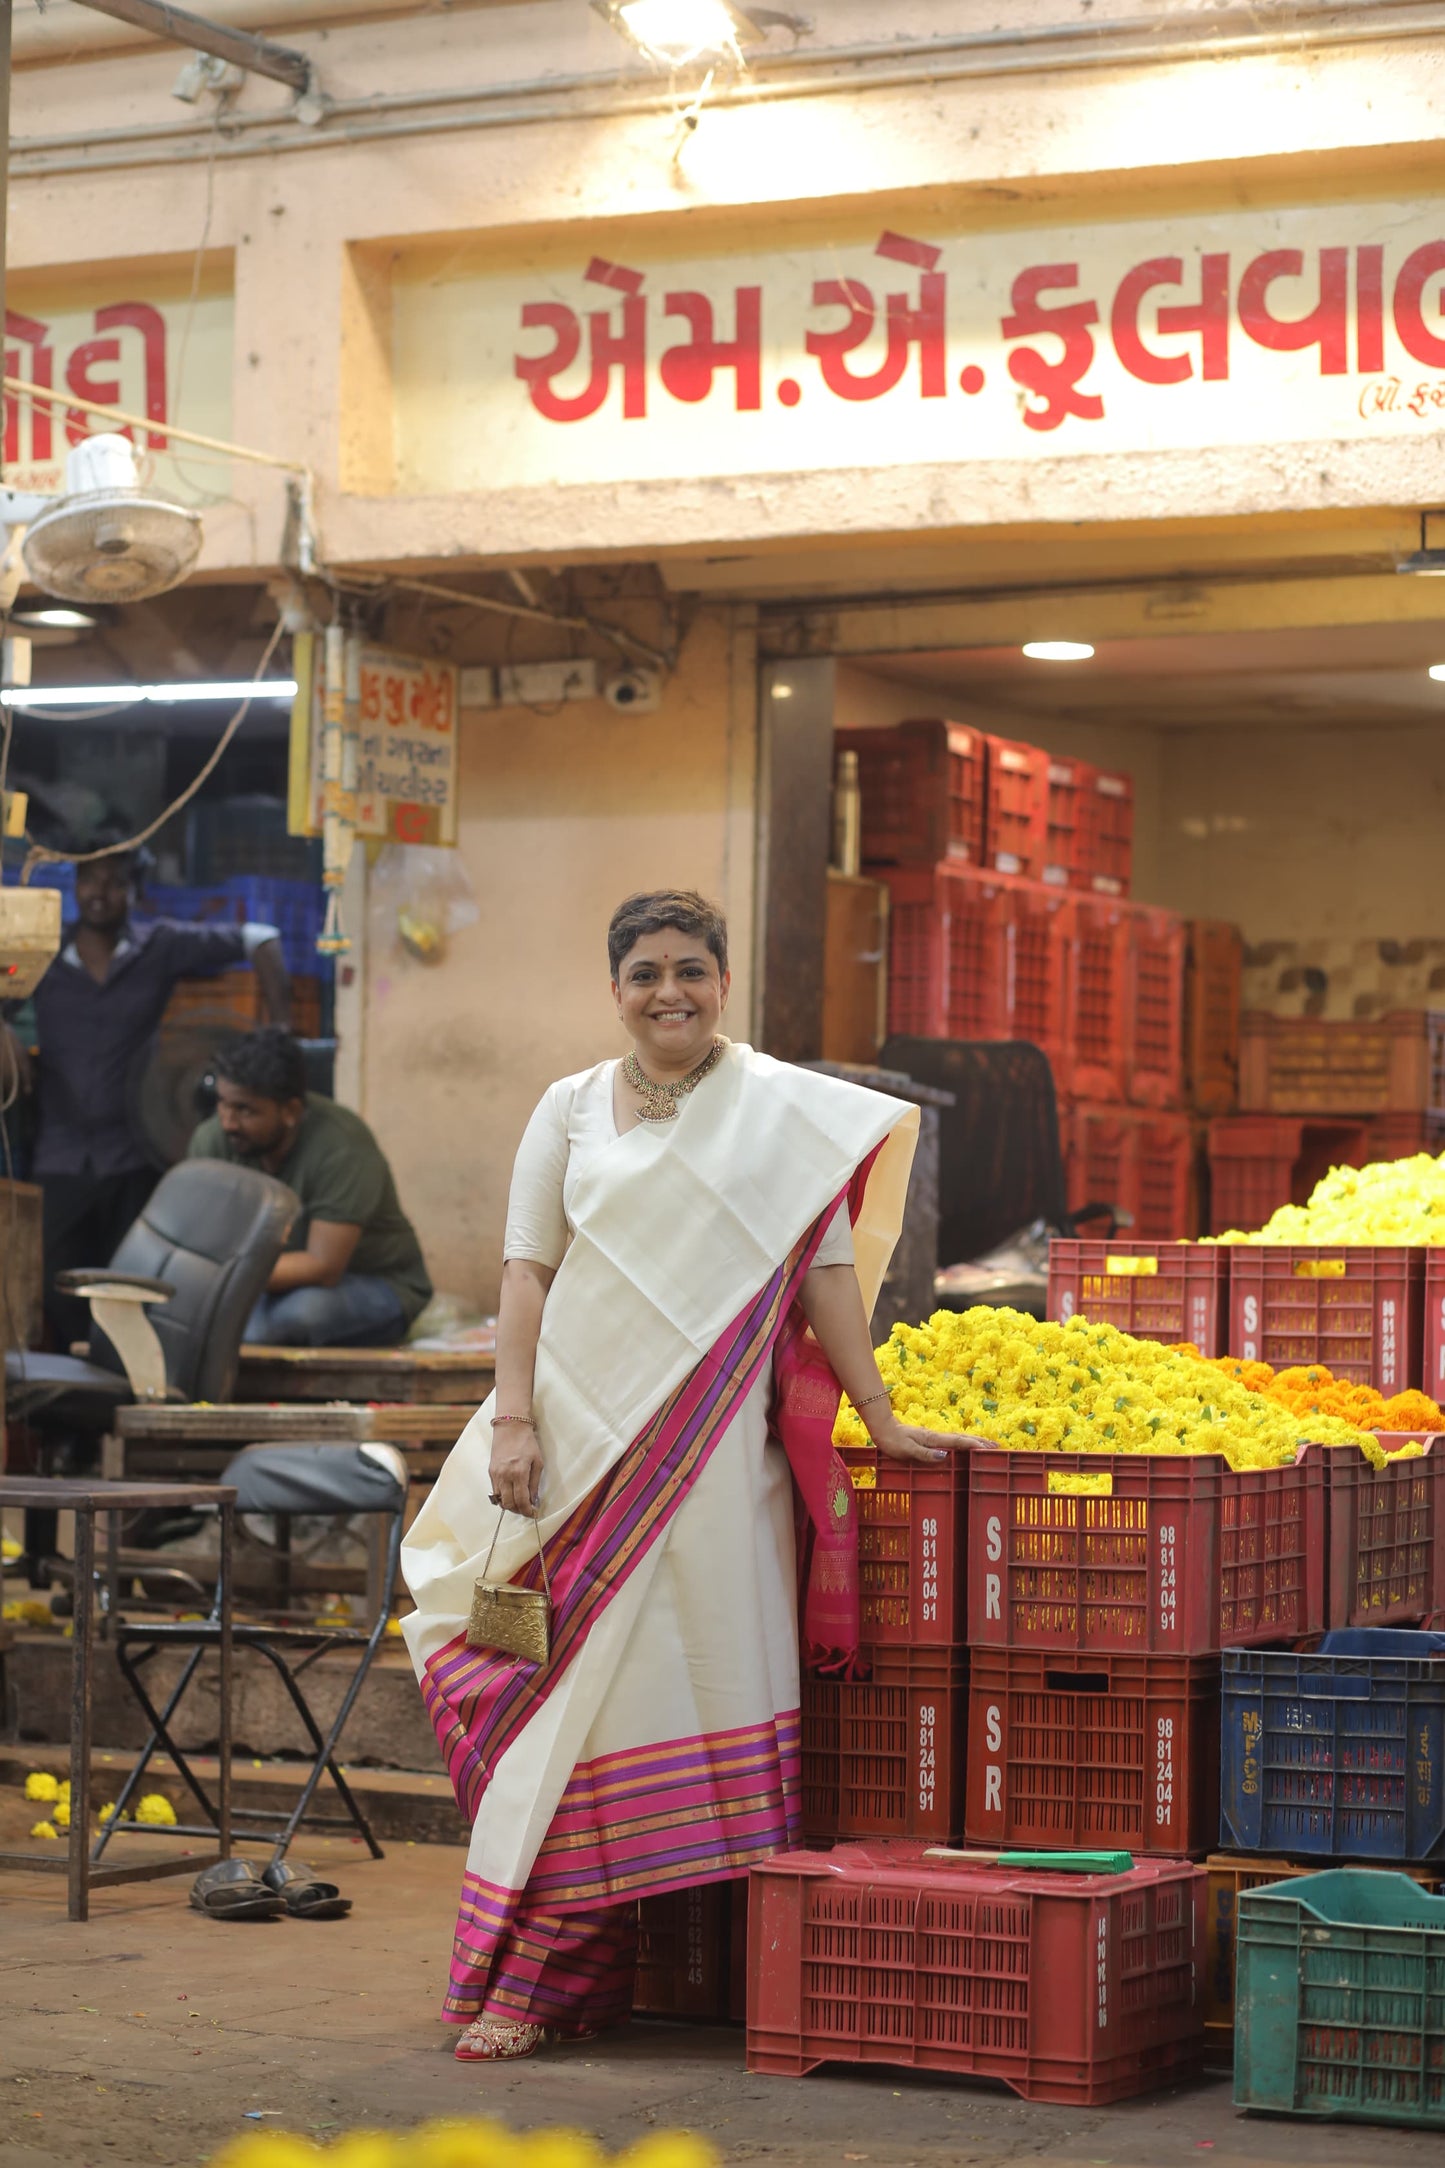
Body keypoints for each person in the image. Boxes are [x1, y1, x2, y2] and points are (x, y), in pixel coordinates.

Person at [401, 888, 973, 2063]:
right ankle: (549, 1968)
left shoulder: (780, 1117)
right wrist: (511, 1420)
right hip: (572, 1444)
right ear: (613, 989)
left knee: (643, 1696)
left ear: (724, 980)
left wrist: (879, 1413)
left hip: (711, 1465)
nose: (671, 991)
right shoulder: (565, 1107)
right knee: (539, 1687)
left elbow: (824, 1280)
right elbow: (524, 1273)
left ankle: (559, 1978)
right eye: (647, 972)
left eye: (692, 970)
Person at [5, 848, 291, 1353]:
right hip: (60, 1152)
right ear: (74, 888)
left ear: (136, 891)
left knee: (130, 1284)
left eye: (115, 882)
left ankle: (117, 1395)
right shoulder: (45, 952)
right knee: (54, 1281)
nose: (100, 893)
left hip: (133, 1152)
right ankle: (80, 1401)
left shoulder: (159, 946)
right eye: (90, 881)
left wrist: (282, 1030)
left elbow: (260, 937)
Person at [188, 1027, 432, 1347]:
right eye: (222, 1103)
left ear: (290, 1111)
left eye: (245, 1110)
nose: (228, 1122)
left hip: (373, 1283)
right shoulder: (214, 1141)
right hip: (262, 1281)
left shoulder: (343, 1147)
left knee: (291, 1318)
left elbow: (323, 1266)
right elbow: (202, 1243)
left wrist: (220, 1277)